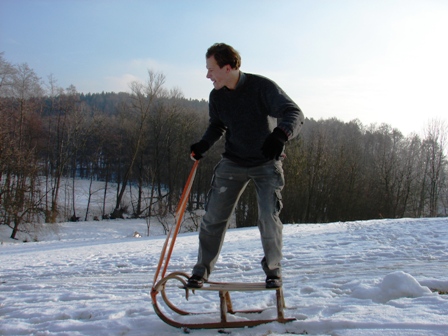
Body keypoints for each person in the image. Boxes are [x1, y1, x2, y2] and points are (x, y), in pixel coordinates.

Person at [188, 43, 304, 289]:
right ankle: (201, 272)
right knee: (213, 218)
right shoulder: (217, 95)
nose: (207, 75)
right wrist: (204, 144)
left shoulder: (261, 87)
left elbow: (293, 112)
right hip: (233, 162)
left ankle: (273, 270)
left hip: (265, 162)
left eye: (211, 69)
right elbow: (217, 125)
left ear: (227, 68)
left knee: (267, 217)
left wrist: (280, 135)